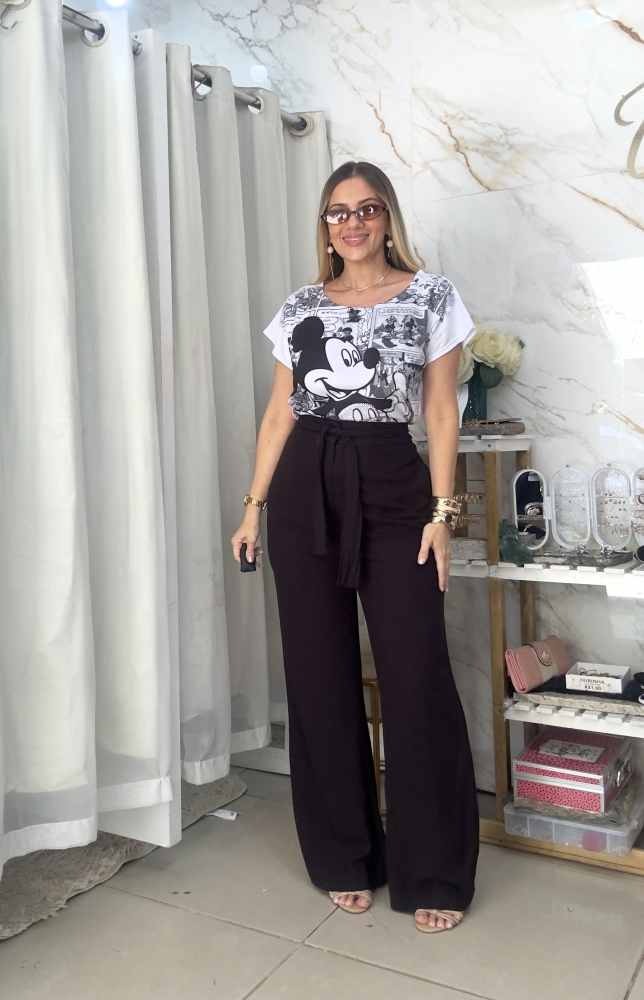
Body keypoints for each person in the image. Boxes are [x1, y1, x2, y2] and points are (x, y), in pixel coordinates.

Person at [231, 161, 479, 934]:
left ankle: (432, 868)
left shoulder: (430, 295)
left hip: (392, 481)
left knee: (415, 673)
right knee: (317, 674)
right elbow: (279, 413)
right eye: (338, 212)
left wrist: (441, 511)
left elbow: (439, 411)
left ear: (386, 216)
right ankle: (344, 855)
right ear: (325, 226)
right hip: (304, 482)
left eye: (367, 208)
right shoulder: (300, 306)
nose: (353, 223)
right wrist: (252, 508)